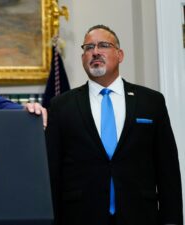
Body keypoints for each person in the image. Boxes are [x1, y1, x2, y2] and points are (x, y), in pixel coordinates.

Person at [45, 24, 183, 225]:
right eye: (88, 48)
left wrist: (172, 221)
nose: (95, 52)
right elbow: (52, 172)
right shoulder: (61, 106)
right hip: (79, 217)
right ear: (83, 57)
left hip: (140, 216)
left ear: (120, 55)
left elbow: (167, 169)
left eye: (103, 45)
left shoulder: (151, 101)